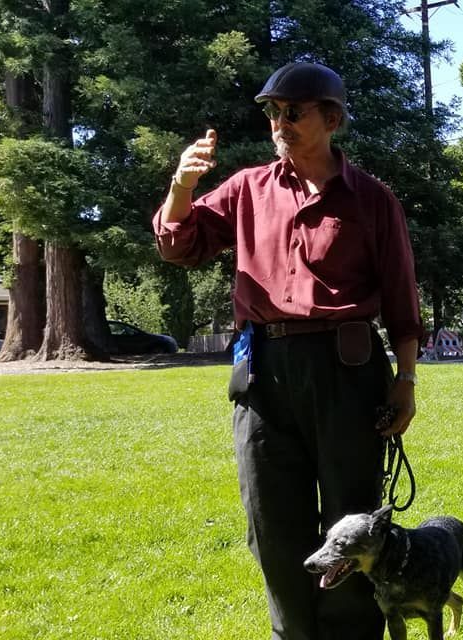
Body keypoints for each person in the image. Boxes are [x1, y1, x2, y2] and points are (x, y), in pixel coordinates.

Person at [153, 61, 423, 640]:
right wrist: (181, 187)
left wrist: (406, 380)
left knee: (352, 521)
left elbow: (402, 300)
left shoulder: (373, 200)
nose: (280, 121)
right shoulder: (248, 188)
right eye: (273, 111)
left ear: (332, 119)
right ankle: (293, 634)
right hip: (264, 376)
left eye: (293, 110)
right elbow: (181, 244)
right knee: (272, 522)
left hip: (348, 373)